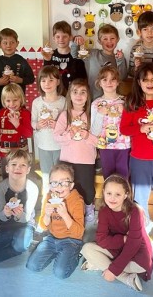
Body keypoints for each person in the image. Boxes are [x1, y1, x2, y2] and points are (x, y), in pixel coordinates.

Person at [120, 62, 153, 248]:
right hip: (139, 158)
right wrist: (141, 128)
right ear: (139, 82)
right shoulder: (132, 103)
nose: (150, 83)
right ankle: (142, 224)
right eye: (145, 80)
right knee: (139, 196)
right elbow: (124, 129)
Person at [80, 174, 153, 292]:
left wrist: (113, 271)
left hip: (136, 255)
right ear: (103, 192)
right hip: (117, 248)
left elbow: (133, 245)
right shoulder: (104, 211)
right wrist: (123, 239)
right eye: (109, 193)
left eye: (118, 194)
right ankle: (126, 278)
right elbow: (101, 240)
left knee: (138, 266)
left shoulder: (135, 211)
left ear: (126, 195)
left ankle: (100, 264)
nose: (112, 198)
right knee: (86, 248)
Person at [26, 162, 85, 279]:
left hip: (71, 241)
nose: (58, 187)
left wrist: (64, 214)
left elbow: (79, 233)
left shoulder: (77, 201)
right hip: (52, 238)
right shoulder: (49, 197)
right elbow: (43, 224)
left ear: (71, 185)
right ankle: (58, 253)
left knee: (60, 273)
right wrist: (47, 215)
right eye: (54, 183)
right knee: (32, 266)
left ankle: (75, 255)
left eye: (63, 183)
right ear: (50, 185)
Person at [0, 149, 38, 264]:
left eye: (23, 165)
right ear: (7, 168)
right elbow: (1, 217)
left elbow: (26, 218)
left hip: (24, 225)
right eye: (14, 164)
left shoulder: (32, 188)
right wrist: (6, 213)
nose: (18, 168)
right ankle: (16, 244)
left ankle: (21, 244)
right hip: (5, 227)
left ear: (28, 170)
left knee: (20, 246)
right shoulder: (0, 188)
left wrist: (19, 214)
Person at [54, 79, 98, 224]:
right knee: (68, 186)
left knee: (86, 188)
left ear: (88, 95)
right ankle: (68, 209)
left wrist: (86, 135)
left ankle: (89, 208)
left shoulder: (92, 115)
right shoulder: (65, 116)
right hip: (67, 160)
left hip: (86, 160)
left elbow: (99, 140)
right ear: (70, 95)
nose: (79, 95)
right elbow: (57, 138)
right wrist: (70, 134)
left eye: (83, 92)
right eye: (75, 92)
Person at [31, 65, 66, 194]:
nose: (47, 84)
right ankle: (47, 202)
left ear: (58, 81)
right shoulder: (37, 102)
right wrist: (39, 125)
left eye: (51, 80)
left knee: (61, 175)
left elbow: (68, 123)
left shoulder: (63, 101)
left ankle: (61, 200)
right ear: (39, 83)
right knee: (46, 176)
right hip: (43, 145)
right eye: (43, 80)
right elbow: (33, 123)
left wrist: (57, 125)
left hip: (60, 146)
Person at [90, 66, 131, 179]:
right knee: (108, 178)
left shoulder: (125, 102)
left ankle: (125, 197)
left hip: (124, 146)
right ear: (99, 83)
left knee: (124, 179)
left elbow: (132, 126)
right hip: (105, 147)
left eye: (113, 79)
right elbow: (94, 131)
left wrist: (125, 112)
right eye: (105, 79)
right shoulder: (96, 104)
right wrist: (100, 114)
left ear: (118, 82)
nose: (109, 82)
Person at [0, 27, 35, 113]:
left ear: (17, 43)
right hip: (2, 101)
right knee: (3, 121)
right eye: (5, 43)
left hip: (18, 101)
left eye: (12, 42)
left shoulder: (22, 61)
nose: (8, 45)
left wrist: (19, 80)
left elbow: (31, 78)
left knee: (19, 122)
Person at [0, 83, 32, 181]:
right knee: (6, 176)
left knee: (20, 176)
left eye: (15, 100)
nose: (12, 104)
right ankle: (7, 195)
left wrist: (17, 124)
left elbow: (29, 134)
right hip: (4, 152)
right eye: (8, 101)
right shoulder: (2, 112)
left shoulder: (25, 113)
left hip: (20, 152)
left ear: (21, 99)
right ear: (4, 101)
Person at [80, 24, 127, 99]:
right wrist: (76, 42)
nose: (109, 41)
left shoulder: (119, 58)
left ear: (117, 39)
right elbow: (75, 55)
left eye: (112, 38)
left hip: (112, 100)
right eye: (105, 39)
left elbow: (122, 77)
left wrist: (120, 60)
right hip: (92, 98)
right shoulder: (92, 54)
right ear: (99, 41)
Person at [42, 21, 87, 93]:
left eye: (64, 36)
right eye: (58, 36)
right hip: (54, 96)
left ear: (70, 37)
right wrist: (47, 60)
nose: (61, 39)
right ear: (53, 38)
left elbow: (82, 80)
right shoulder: (50, 55)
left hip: (72, 96)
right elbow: (45, 77)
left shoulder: (76, 56)